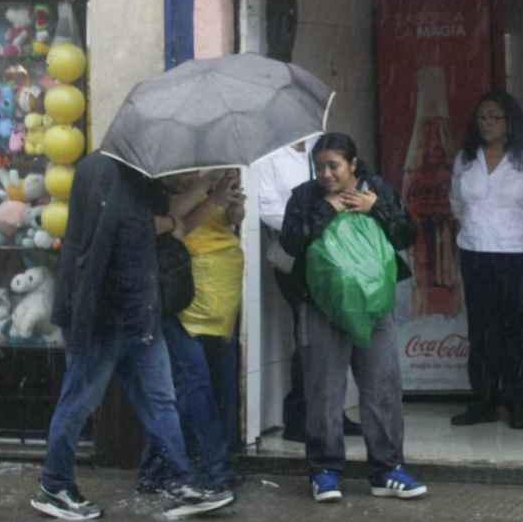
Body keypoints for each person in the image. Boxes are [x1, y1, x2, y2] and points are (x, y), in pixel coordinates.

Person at [33, 153, 236, 520]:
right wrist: (165, 219)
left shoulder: (143, 183)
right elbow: (116, 227)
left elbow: (166, 228)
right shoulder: (102, 171)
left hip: (138, 313)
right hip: (101, 314)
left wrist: (196, 203)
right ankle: (55, 485)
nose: (188, 179)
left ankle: (183, 481)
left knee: (161, 399)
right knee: (79, 401)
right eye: (185, 172)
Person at [279, 132, 427, 502]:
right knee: (324, 391)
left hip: (375, 307)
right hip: (321, 306)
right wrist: (326, 209)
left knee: (383, 388)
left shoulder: (377, 189)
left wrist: (377, 208)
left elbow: (407, 235)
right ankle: (325, 471)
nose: (325, 173)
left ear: (353, 164)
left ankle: (387, 470)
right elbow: (291, 242)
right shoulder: (305, 196)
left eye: (333, 166)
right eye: (319, 166)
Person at [447, 92, 523, 430]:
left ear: (510, 122)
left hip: (519, 254)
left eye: (494, 118)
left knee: (518, 333)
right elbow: (457, 204)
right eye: (481, 118)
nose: (487, 124)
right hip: (476, 253)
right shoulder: (466, 158)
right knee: (481, 332)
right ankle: (482, 402)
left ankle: (519, 404)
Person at [136, 170, 244, 494]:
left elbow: (188, 221)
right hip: (161, 299)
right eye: (183, 173)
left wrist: (224, 202)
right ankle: (210, 469)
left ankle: (157, 470)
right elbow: (162, 223)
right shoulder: (146, 190)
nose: (188, 176)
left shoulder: (178, 190)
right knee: (190, 383)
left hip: (180, 297)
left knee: (181, 388)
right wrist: (205, 192)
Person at [256, 138, 363, 444]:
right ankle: (299, 417)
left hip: (333, 256)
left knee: (334, 333)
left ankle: (331, 414)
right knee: (309, 335)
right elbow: (267, 209)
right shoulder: (271, 155)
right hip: (296, 257)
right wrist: (310, 223)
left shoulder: (320, 147)